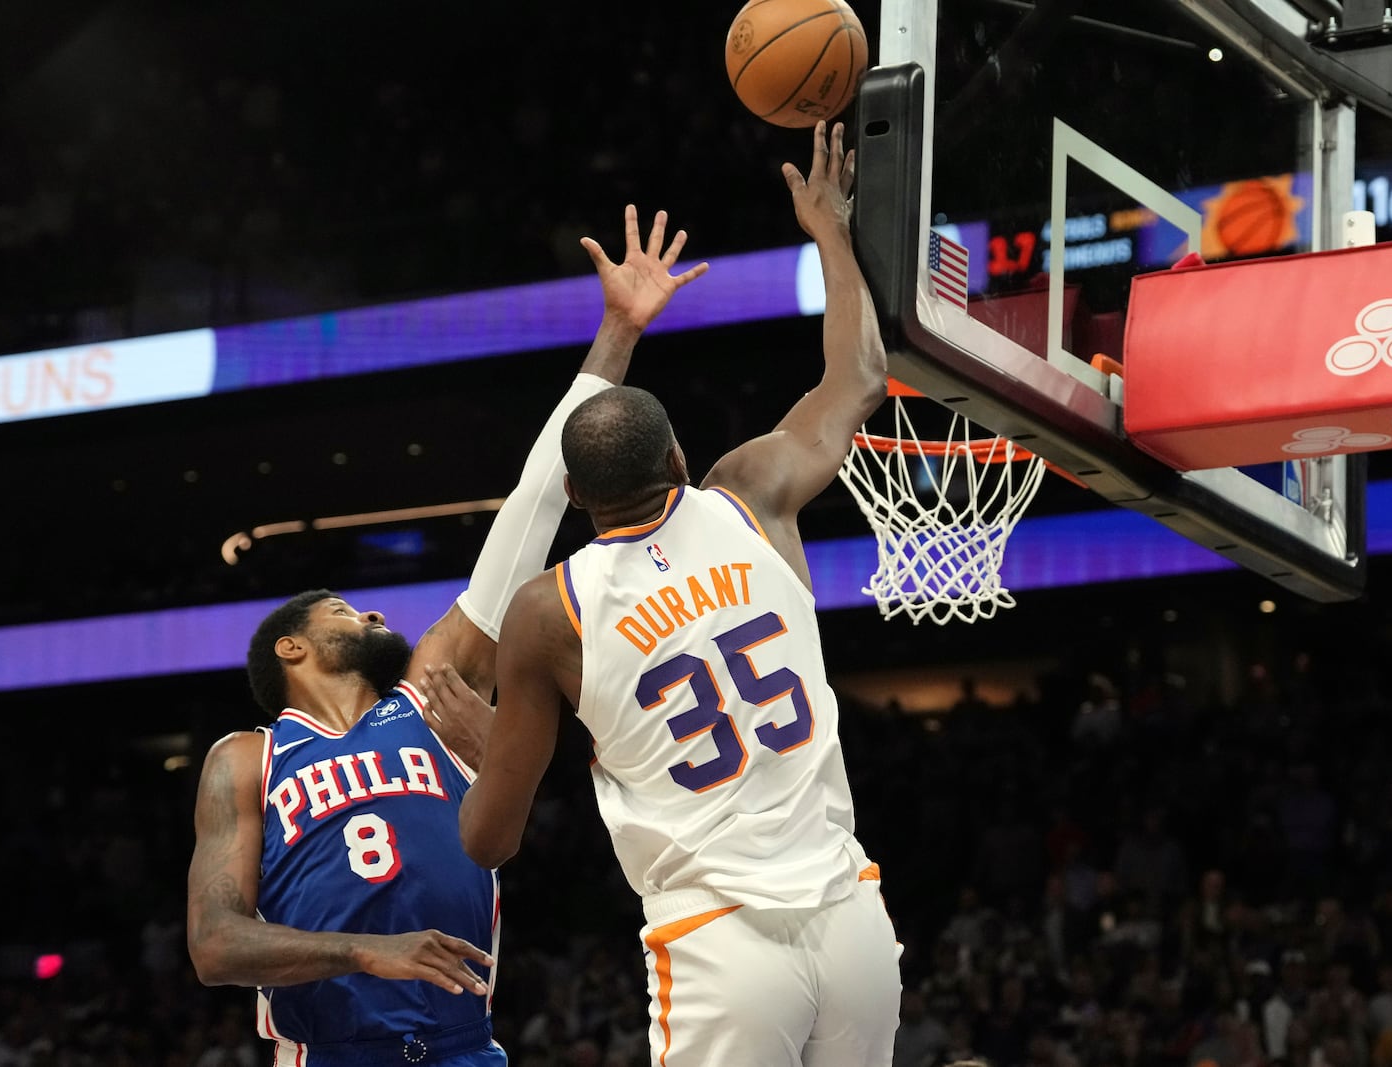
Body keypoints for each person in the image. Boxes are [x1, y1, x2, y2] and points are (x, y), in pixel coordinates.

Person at [184, 203, 708, 1067]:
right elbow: (214, 945)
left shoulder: (429, 695)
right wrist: (360, 950)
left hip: (466, 1045)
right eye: (347, 611)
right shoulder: (246, 758)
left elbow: (533, 512)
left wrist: (615, 335)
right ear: (290, 646)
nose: (377, 615)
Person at [440, 120, 901, 1066]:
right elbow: (857, 376)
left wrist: (483, 752)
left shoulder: (547, 611)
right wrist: (830, 232)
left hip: (721, 940)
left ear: (577, 499)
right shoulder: (750, 494)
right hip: (854, 916)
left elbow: (489, 841)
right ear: (681, 458)